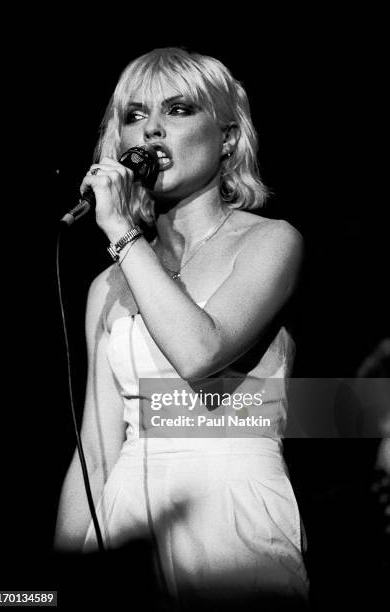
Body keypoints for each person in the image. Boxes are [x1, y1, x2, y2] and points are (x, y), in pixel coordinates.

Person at [54, 47, 309, 610]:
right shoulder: (108, 285)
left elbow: (200, 351)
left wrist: (121, 232)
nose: (152, 130)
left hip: (231, 513)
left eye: (178, 109)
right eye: (135, 115)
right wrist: (57, 586)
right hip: (126, 520)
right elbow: (96, 453)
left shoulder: (270, 242)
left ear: (226, 138)